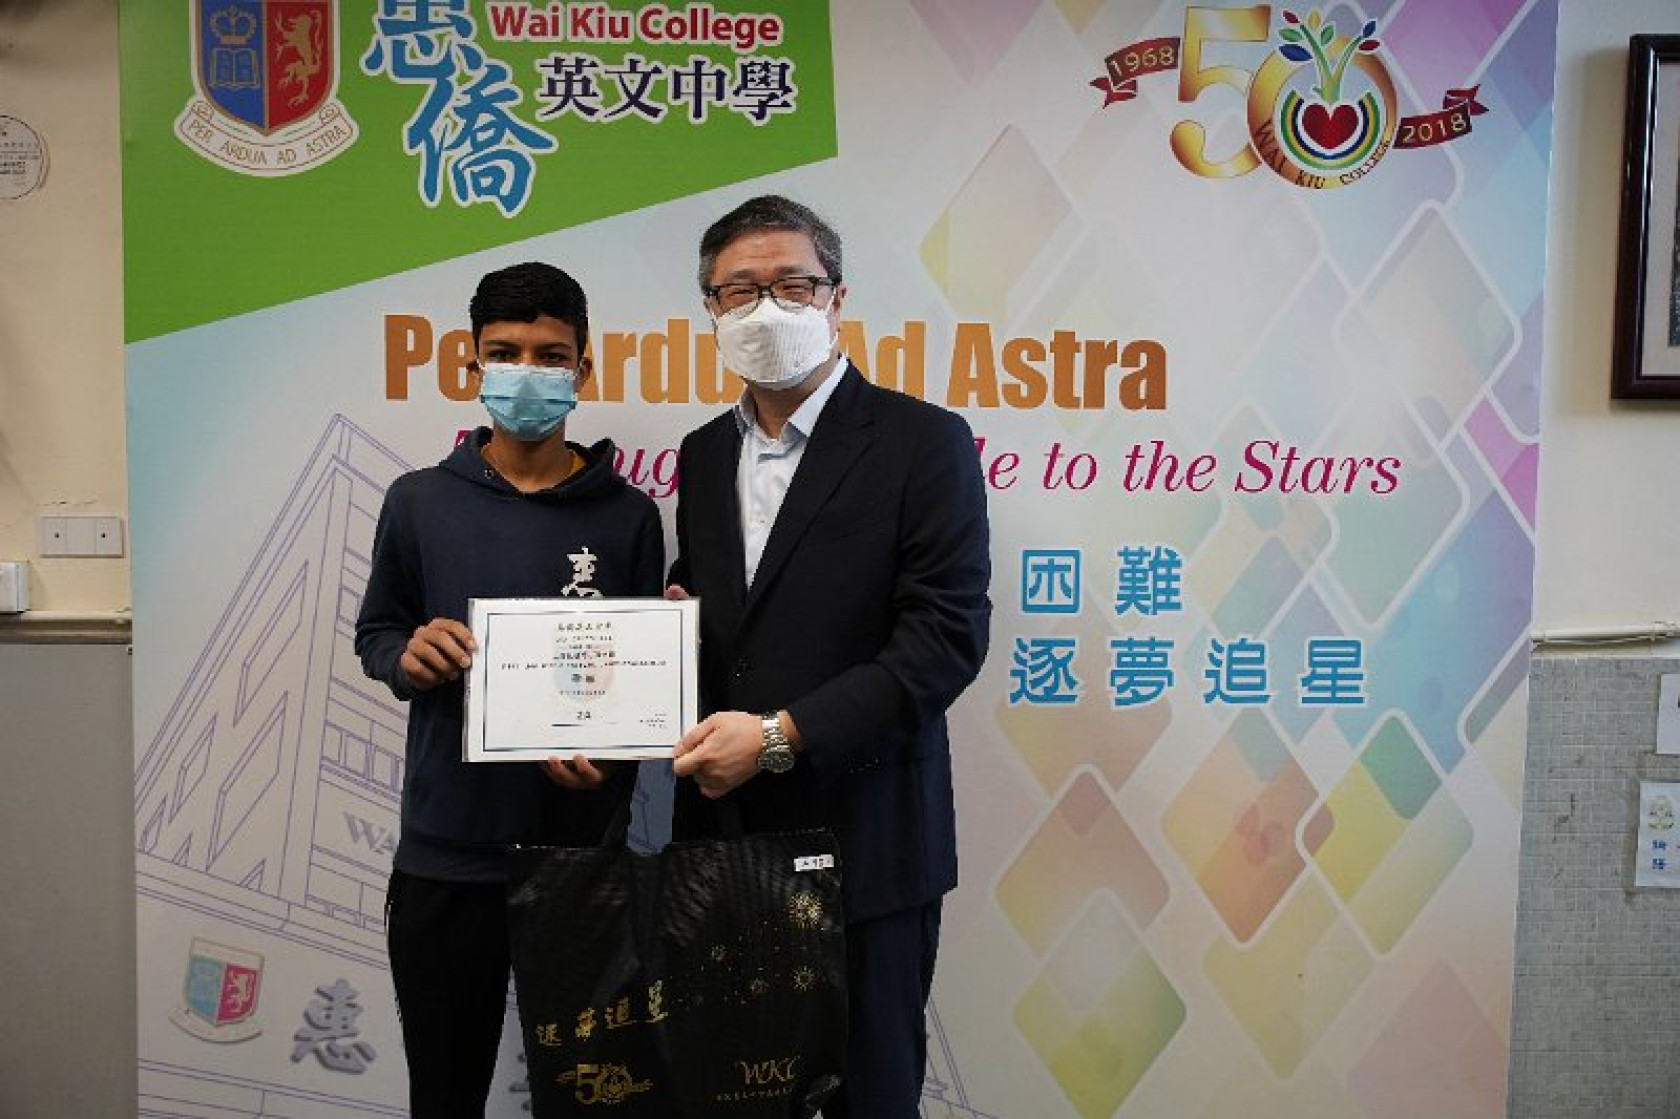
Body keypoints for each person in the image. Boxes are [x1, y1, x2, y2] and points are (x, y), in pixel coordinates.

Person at [667, 195, 992, 1117]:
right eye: (740, 290)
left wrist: (780, 736)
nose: (766, 308)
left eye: (792, 285)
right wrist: (667, 637)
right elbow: (722, 611)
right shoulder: (701, 454)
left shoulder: (923, 442)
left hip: (868, 842)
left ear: (836, 298)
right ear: (711, 310)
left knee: (869, 1095)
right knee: (733, 1095)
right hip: (723, 842)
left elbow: (944, 640)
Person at [354, 261, 664, 1117]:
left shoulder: (629, 517)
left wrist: (607, 757)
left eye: (550, 355)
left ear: (583, 369)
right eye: (505, 353)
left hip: (580, 860)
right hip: (447, 854)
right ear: (472, 365)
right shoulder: (418, 502)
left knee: (594, 1097)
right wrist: (407, 655)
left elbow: (637, 683)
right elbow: (377, 632)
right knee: (445, 1092)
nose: (527, 372)